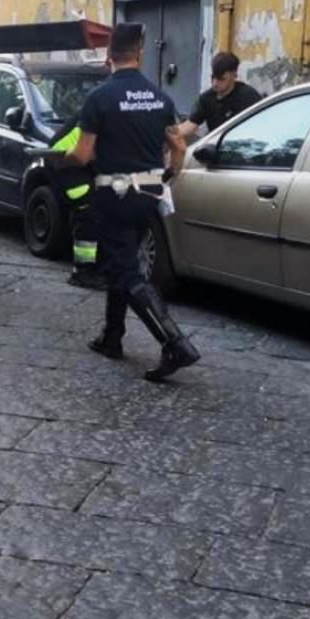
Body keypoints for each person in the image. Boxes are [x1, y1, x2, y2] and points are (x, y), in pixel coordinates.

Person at [63, 23, 200, 381]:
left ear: (109, 57)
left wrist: (61, 159)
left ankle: (175, 342)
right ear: (139, 54)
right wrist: (169, 176)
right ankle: (112, 336)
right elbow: (180, 146)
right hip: (150, 192)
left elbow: (82, 153)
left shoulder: (101, 98)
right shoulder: (160, 98)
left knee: (125, 270)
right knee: (120, 262)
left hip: (115, 192)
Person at [49, 113, 105, 290]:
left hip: (78, 164)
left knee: (93, 213)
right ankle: (83, 272)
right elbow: (84, 153)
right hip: (67, 165)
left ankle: (91, 267)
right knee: (88, 212)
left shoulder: (106, 110)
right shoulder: (97, 116)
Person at [178, 51, 261, 138]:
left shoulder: (248, 96)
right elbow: (189, 125)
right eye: (213, 77)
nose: (215, 83)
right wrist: (168, 132)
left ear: (234, 75)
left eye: (221, 79)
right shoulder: (206, 99)